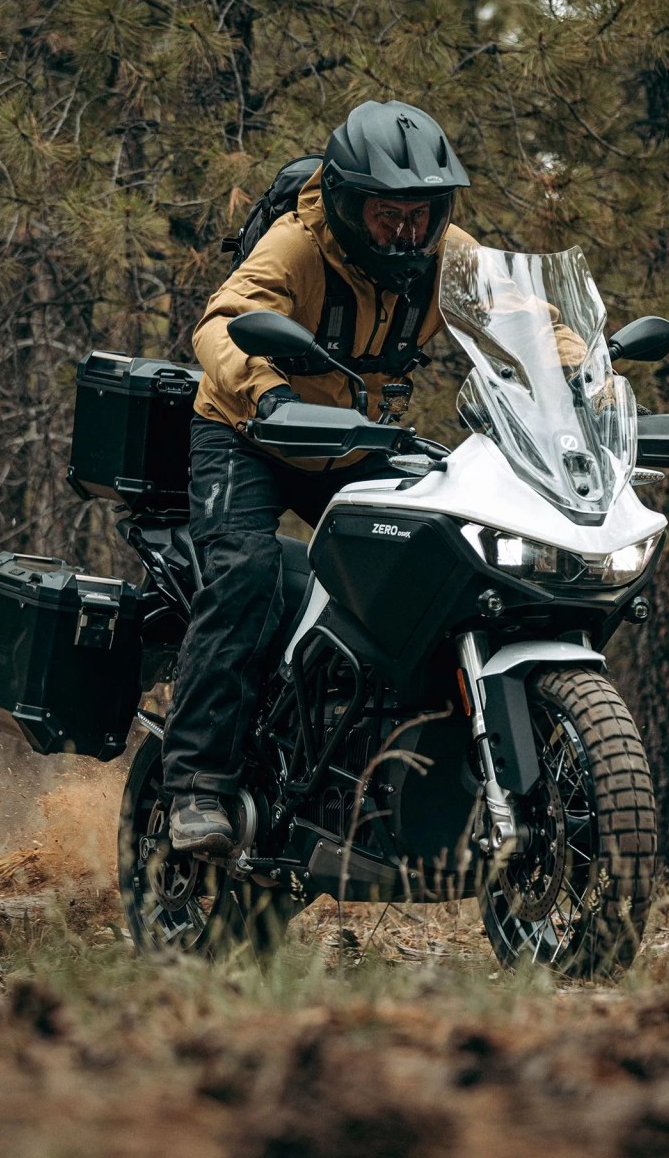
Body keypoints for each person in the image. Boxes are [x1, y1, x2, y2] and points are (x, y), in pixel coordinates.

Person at [163, 99, 473, 853]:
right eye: (387, 215)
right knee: (246, 571)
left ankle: (353, 762)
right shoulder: (298, 247)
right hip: (248, 430)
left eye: (420, 216)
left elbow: (530, 318)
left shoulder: (450, 257)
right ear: (346, 201)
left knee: (437, 563)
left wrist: (585, 381)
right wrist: (266, 394)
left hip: (355, 436)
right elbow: (220, 320)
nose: (406, 233)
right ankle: (197, 788)